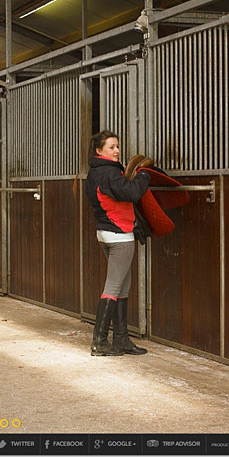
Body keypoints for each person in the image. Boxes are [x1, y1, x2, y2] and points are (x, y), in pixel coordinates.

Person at [85, 130, 150, 356]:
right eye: (111, 147)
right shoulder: (109, 173)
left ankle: (121, 339)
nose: (117, 151)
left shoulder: (94, 172)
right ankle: (99, 342)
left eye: (117, 146)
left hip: (106, 232)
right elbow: (131, 193)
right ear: (99, 150)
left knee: (123, 285)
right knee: (113, 287)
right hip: (120, 235)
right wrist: (143, 176)